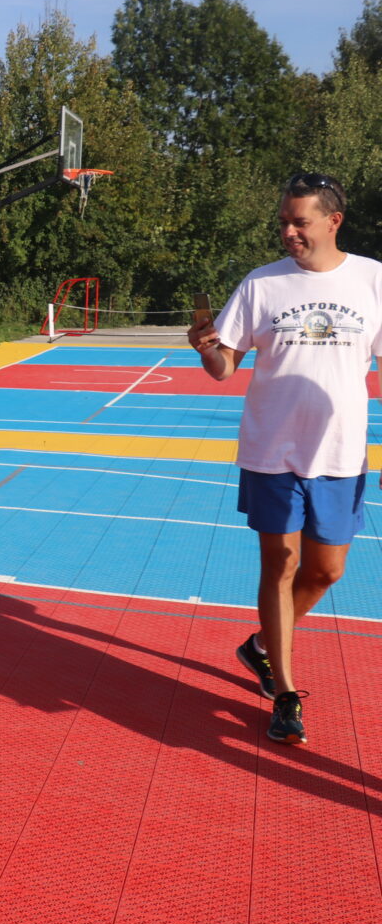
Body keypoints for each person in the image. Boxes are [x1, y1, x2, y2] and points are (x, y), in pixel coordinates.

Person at [188, 172, 382, 745]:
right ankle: (285, 692)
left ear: (333, 221)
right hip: (272, 448)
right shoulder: (261, 284)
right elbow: (224, 367)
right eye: (283, 222)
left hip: (341, 450)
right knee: (281, 565)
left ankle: (260, 644)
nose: (289, 232)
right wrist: (206, 348)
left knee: (328, 569)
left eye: (300, 221)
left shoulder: (372, 280)